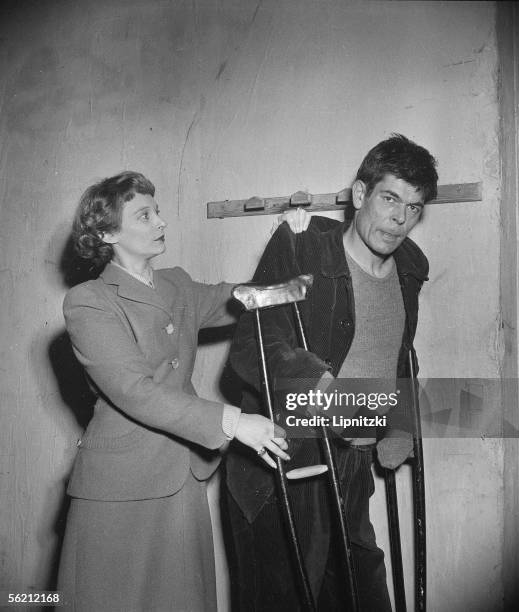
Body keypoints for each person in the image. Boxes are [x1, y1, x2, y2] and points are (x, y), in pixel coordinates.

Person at [57, 171, 304, 611]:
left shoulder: (176, 284)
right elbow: (135, 390)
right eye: (144, 215)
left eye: (158, 212)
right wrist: (233, 422)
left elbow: (236, 297)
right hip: (120, 487)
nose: (160, 223)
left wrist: (295, 280)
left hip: (182, 475)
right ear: (108, 232)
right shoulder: (89, 301)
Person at [224, 134, 438, 611]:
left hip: (353, 466)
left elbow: (400, 352)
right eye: (389, 198)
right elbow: (254, 344)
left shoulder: (410, 267)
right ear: (360, 195)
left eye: (414, 207)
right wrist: (318, 386)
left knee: (364, 596)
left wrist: (401, 418)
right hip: (287, 462)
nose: (400, 218)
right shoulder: (302, 251)